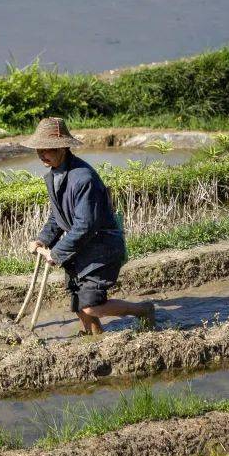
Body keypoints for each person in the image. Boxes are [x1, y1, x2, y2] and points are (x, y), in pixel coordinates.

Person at [23, 118, 155, 335]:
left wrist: (56, 253)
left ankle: (144, 310)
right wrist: (42, 240)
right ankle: (95, 336)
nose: (41, 154)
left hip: (101, 247)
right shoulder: (53, 176)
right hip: (80, 248)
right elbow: (57, 217)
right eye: (39, 149)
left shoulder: (84, 179)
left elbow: (85, 226)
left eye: (47, 149)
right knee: (77, 299)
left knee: (91, 305)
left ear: (63, 148)